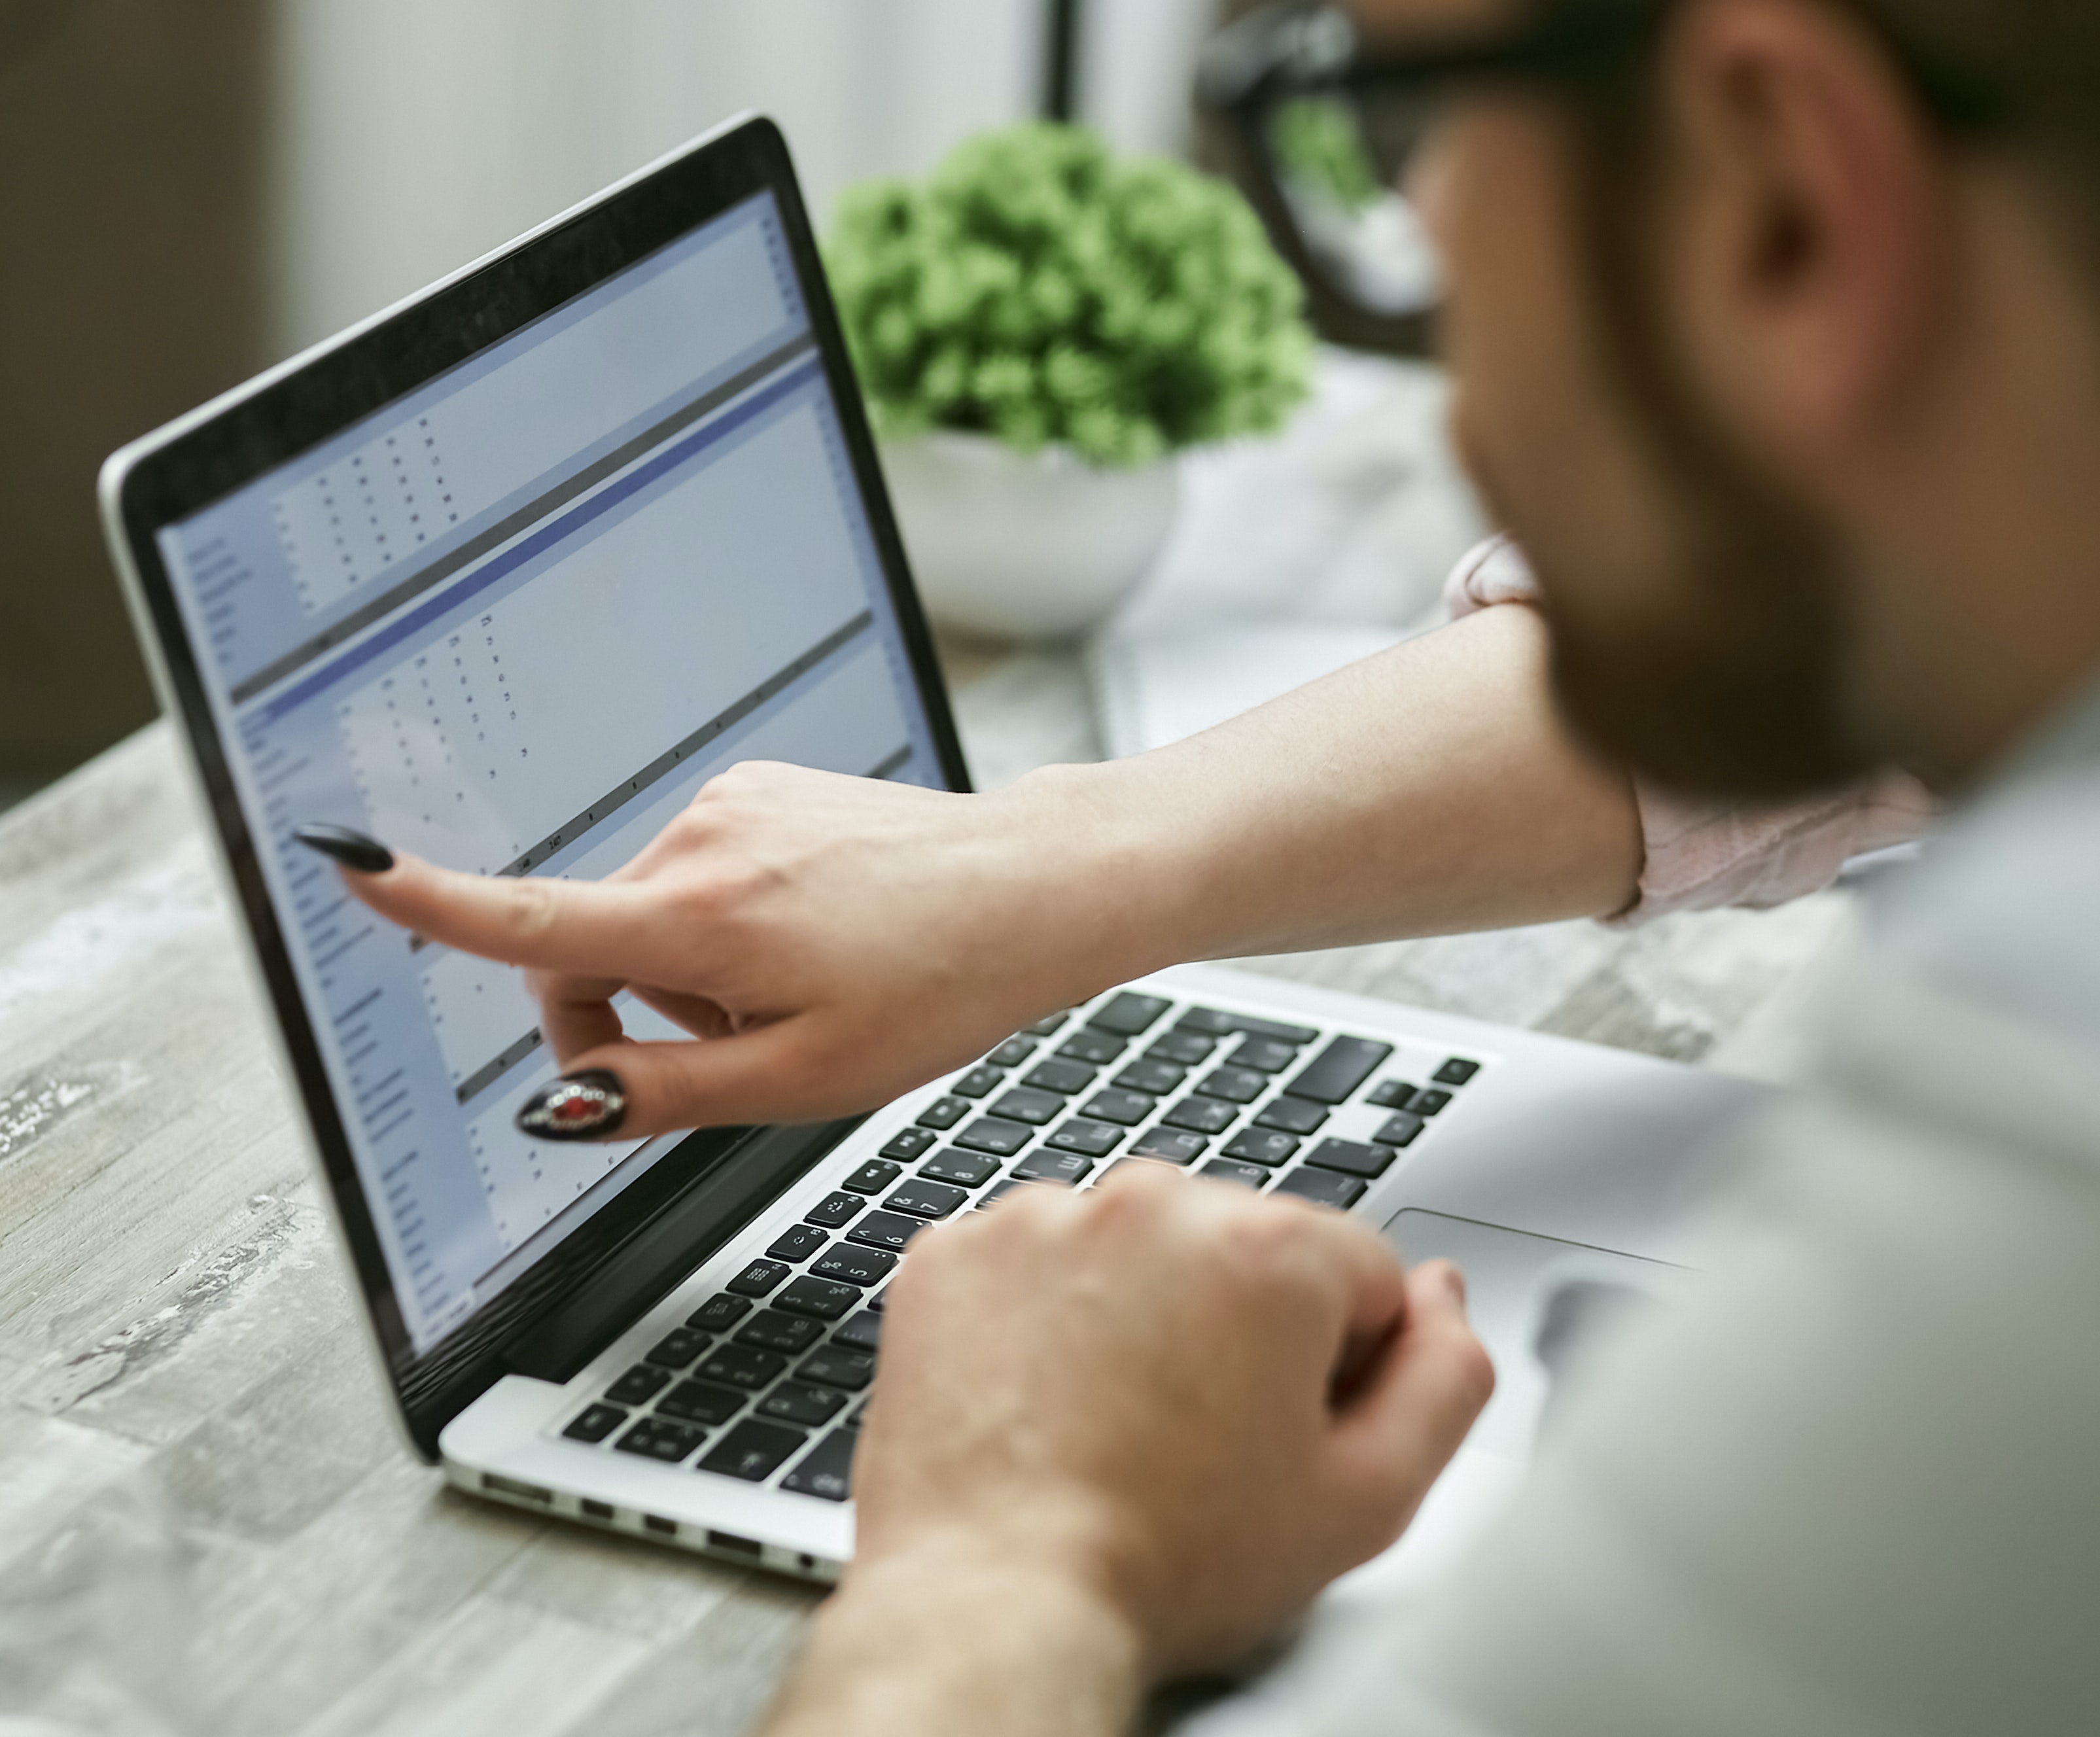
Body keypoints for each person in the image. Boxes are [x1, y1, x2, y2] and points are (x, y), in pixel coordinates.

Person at [300, 0, 2100, 1727]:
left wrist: (1020, 1561)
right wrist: (1063, 859)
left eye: (1417, 111)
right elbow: (1789, 639)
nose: (1421, 217)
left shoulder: (2035, 1153)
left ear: (1784, 188)